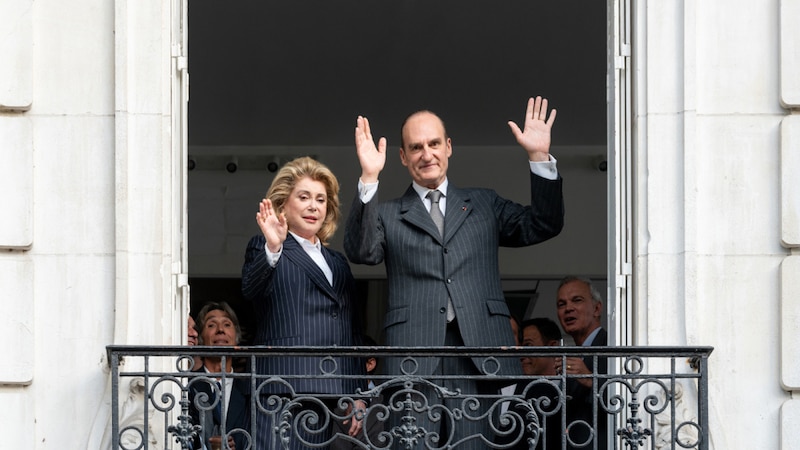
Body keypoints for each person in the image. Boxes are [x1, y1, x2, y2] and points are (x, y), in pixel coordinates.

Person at [344, 97, 564, 448]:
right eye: (416, 147)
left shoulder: (484, 204)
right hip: (412, 359)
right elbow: (361, 251)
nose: (426, 154)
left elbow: (543, 224)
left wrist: (539, 157)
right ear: (403, 157)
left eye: (433, 144)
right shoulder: (387, 214)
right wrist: (369, 177)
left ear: (448, 147)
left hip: (477, 357)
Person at [241, 156, 367, 449]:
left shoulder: (338, 261)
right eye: (304, 197)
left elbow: (353, 332)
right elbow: (250, 289)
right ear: (283, 204)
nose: (314, 206)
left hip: (332, 394)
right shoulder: (265, 245)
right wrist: (274, 247)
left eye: (321, 199)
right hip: (281, 390)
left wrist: (358, 391)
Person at [553, 276, 608, 450]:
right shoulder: (569, 355)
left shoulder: (613, 346)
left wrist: (590, 381)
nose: (568, 308)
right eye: (562, 304)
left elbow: (630, 400)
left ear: (597, 308)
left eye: (577, 300)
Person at [189, 302, 250, 450]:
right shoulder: (187, 385)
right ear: (201, 338)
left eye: (227, 324)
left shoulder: (250, 388)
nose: (220, 330)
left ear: (236, 339)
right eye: (211, 325)